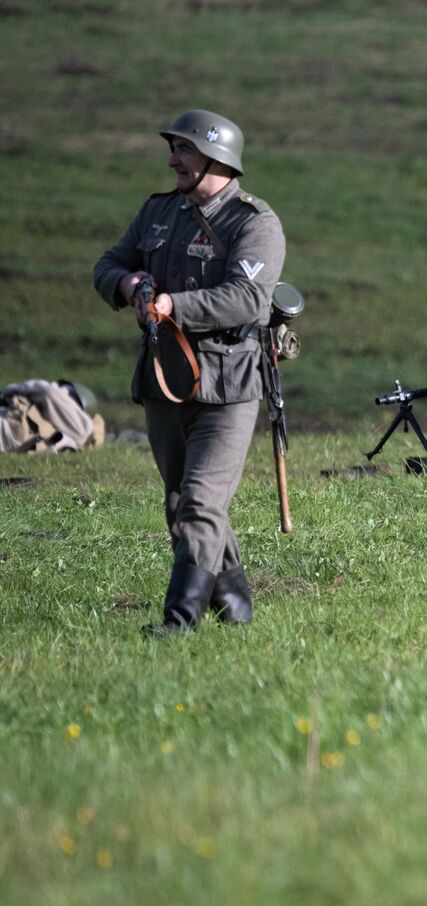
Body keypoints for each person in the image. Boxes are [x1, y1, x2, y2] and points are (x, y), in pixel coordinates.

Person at [93, 109, 285, 634]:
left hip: (228, 385)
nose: (173, 159)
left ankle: (179, 622)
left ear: (216, 159)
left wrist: (175, 305)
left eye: (185, 151)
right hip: (164, 377)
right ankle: (236, 607)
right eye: (174, 149)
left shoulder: (254, 222)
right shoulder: (158, 213)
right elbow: (107, 265)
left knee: (201, 500)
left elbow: (249, 298)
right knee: (181, 501)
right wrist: (129, 286)